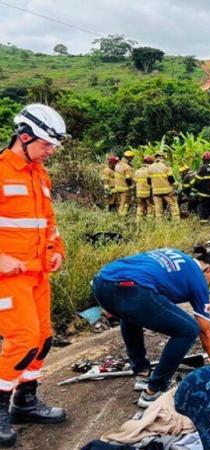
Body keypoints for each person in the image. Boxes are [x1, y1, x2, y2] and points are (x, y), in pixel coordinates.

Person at [0, 104, 69, 446]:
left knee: (43, 338)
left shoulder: (39, 173)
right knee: (23, 340)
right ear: (23, 137)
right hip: (7, 278)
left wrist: (57, 250)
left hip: (38, 274)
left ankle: (24, 402)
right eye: (46, 144)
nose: (50, 151)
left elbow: (48, 223)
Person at [91, 248, 210, 408]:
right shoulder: (198, 279)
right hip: (132, 288)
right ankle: (154, 391)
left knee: (131, 315)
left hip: (101, 282)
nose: (209, 284)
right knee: (188, 330)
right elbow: (205, 329)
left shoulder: (176, 254)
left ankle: (141, 373)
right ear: (209, 269)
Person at [148, 152, 180, 221]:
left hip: (156, 191)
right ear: (163, 157)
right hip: (167, 191)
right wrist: (176, 184)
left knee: (158, 207)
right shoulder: (166, 166)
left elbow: (148, 180)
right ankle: (176, 221)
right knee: (173, 204)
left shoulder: (150, 167)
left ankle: (159, 222)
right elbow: (170, 178)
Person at [193, 152, 210, 223]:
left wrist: (194, 191)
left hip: (203, 193)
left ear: (203, 159)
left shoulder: (203, 167)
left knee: (203, 207)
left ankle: (204, 222)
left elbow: (197, 181)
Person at [114, 150, 135, 216]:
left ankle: (119, 214)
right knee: (125, 203)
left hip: (117, 187)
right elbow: (128, 178)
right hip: (124, 188)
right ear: (129, 158)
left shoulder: (117, 164)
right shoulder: (127, 167)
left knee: (120, 203)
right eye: (131, 158)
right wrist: (131, 186)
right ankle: (122, 217)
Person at [134, 155, 154, 222]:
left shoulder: (137, 171)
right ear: (151, 162)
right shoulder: (150, 170)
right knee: (150, 206)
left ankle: (138, 221)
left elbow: (135, 182)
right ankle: (150, 221)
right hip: (148, 192)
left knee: (140, 206)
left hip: (139, 192)